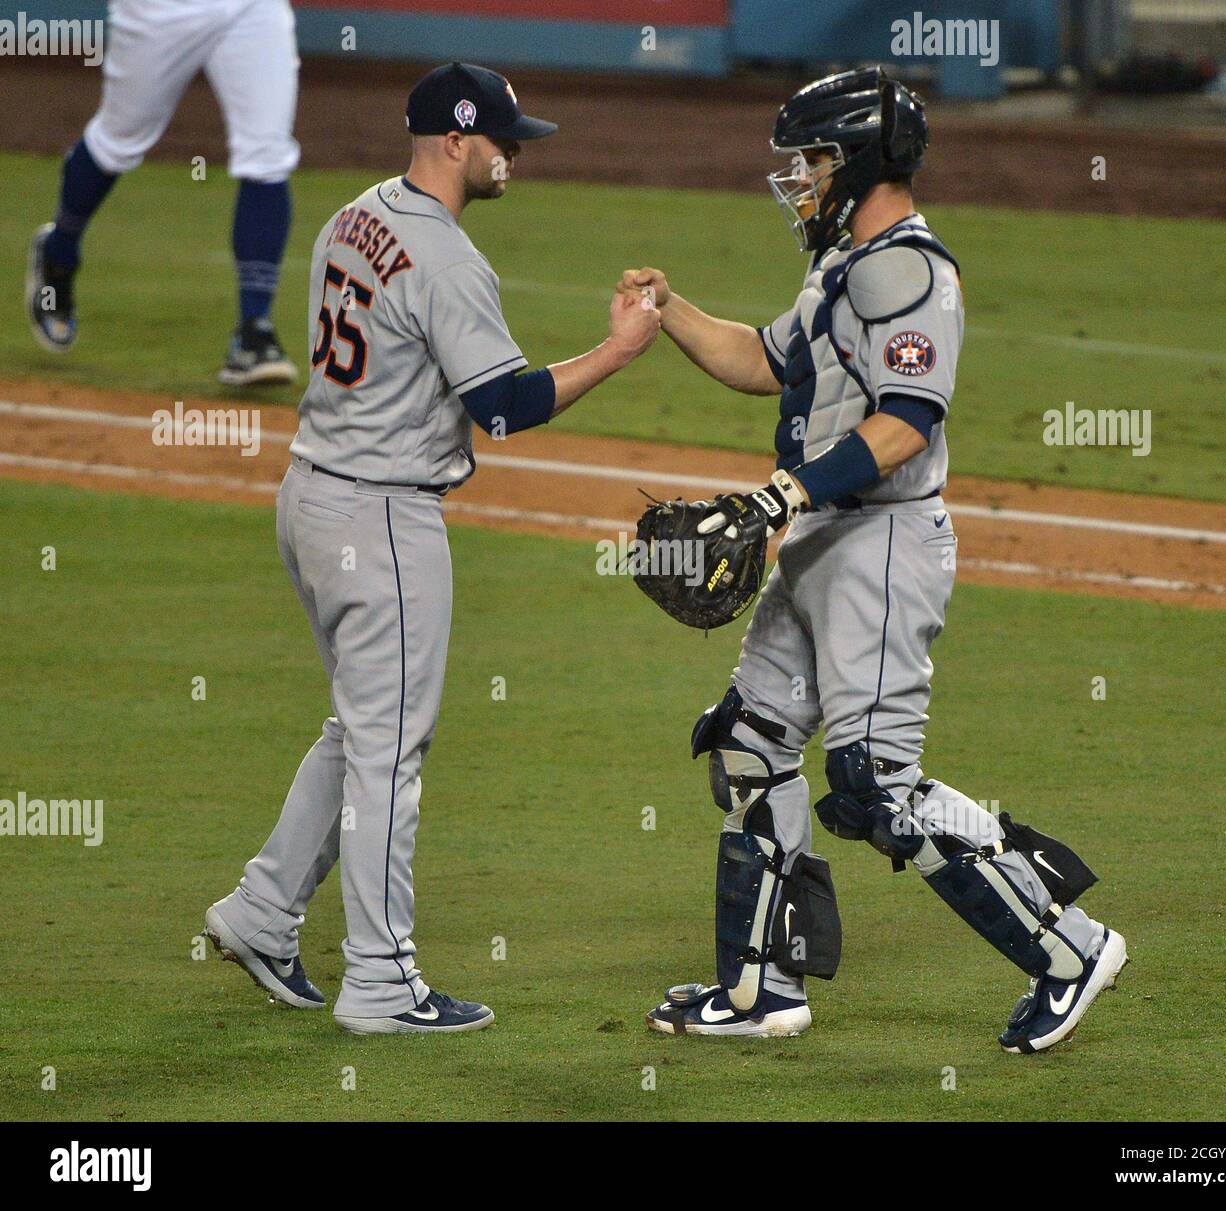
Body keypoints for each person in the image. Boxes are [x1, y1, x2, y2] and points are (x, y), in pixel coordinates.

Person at [630, 67, 1127, 1052]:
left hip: (882, 544)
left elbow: (905, 425)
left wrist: (783, 492)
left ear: (858, 160)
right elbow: (762, 360)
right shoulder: (841, 267)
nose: (799, 179)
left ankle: (1068, 944)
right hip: (823, 536)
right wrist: (668, 310)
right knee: (749, 741)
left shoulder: (906, 271)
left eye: (812, 159)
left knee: (872, 786)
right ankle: (758, 990)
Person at [204, 62, 661, 1035]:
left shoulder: (350, 215)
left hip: (309, 498)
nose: (513, 155)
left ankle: (260, 909)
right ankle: (379, 979)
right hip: (381, 524)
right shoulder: (449, 260)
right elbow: (503, 406)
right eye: (502, 140)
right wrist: (617, 350)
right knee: (388, 753)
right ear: (457, 141)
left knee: (358, 730)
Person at [25, 0, 301, 385]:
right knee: (118, 141)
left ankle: (254, 331)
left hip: (252, 7)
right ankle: (58, 253)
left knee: (267, 155)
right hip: (159, 9)